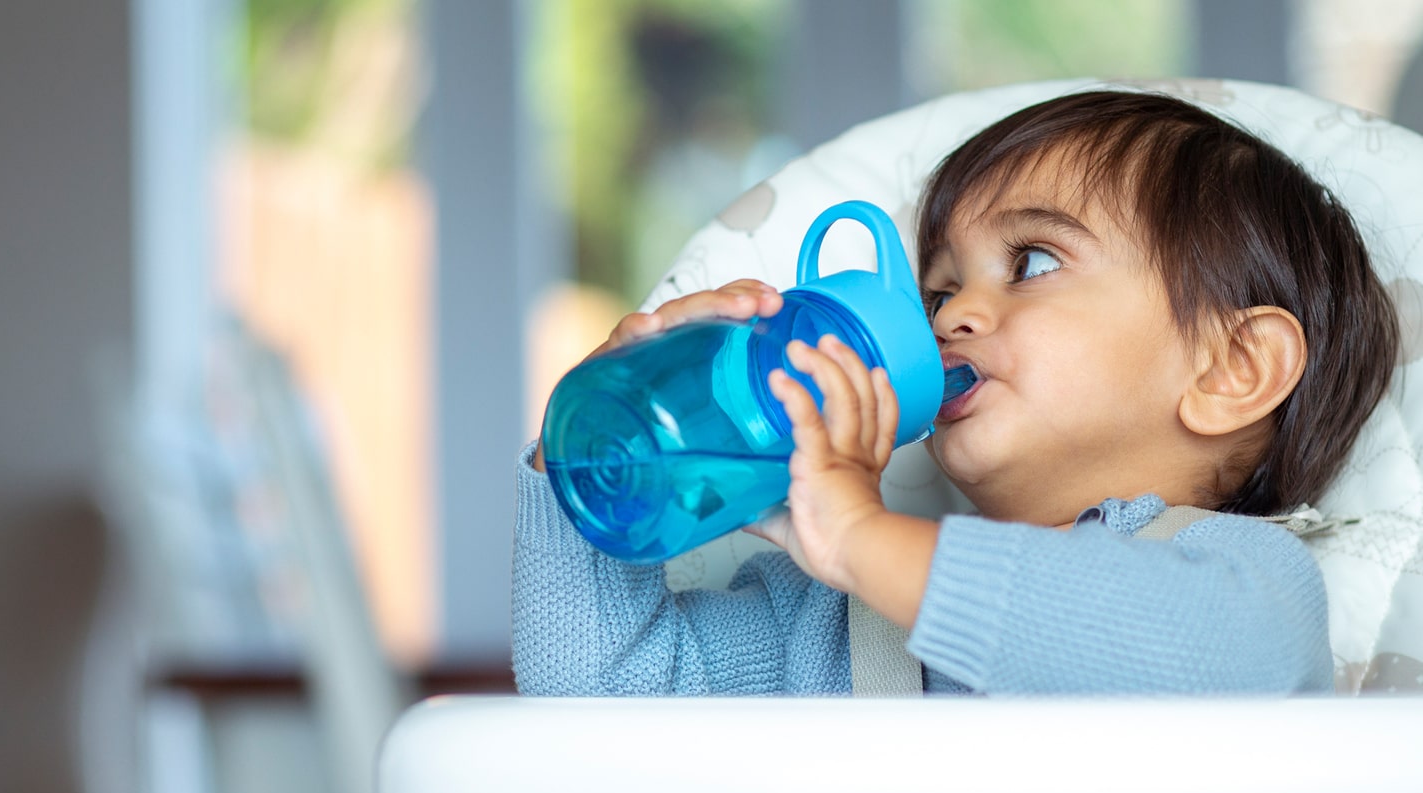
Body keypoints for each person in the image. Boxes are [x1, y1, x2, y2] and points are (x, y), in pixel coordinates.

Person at [511, 90, 1401, 695]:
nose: (951, 316)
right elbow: (598, 687)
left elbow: (1157, 647)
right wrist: (585, 457)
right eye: (936, 291)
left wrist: (863, 538)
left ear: (1230, 368)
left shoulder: (1250, 585)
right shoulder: (828, 619)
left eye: (1033, 262)